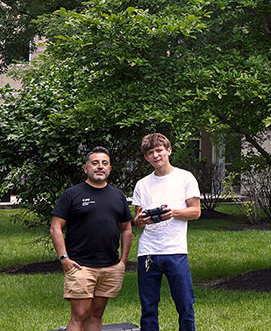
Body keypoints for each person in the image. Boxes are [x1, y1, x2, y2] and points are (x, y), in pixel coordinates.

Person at [50, 147, 133, 331]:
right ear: (86, 168)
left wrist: (123, 261)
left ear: (110, 169)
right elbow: (55, 227)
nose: (100, 167)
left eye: (104, 163)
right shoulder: (72, 194)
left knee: (96, 314)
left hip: (110, 266)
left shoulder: (118, 196)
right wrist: (64, 259)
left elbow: (127, 229)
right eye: (95, 163)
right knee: (79, 315)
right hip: (80, 265)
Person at [132, 133, 201, 331]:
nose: (156, 156)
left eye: (159, 150)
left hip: (175, 251)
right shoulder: (142, 184)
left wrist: (173, 212)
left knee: (185, 305)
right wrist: (141, 220)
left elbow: (196, 211)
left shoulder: (185, 177)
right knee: (148, 308)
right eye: (150, 153)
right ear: (146, 157)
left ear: (169, 150)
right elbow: (137, 221)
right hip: (148, 252)